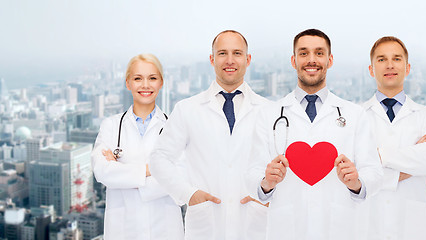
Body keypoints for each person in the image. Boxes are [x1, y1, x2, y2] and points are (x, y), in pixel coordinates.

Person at [246, 29, 383, 240]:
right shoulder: (269, 115)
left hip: (338, 229)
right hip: (287, 229)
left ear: (330, 60)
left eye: (319, 53)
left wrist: (356, 182)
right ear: (293, 61)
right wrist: (267, 181)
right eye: (303, 53)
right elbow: (251, 173)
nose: (312, 60)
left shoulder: (355, 115)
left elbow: (374, 173)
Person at [149, 30, 269, 240]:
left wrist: (268, 196)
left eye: (237, 53)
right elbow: (160, 158)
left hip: (256, 224)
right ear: (212, 59)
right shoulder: (187, 109)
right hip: (206, 226)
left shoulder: (270, 111)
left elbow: (288, 166)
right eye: (222, 53)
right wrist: (188, 194)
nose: (230, 60)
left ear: (248, 59)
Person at [359, 36, 426, 240]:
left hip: (413, 230)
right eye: (381, 59)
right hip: (368, 228)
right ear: (371, 70)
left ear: (407, 68)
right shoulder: (356, 116)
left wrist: (379, 157)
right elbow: (355, 171)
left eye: (397, 59)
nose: (390, 65)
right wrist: (411, 166)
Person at [91, 54, 184, 239]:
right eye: (138, 78)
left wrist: (121, 173)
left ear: (161, 83)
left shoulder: (177, 127)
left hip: (165, 231)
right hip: (122, 230)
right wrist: (152, 170)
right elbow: (102, 172)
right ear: (128, 83)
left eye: (152, 78)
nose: (145, 85)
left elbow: (179, 178)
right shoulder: (111, 126)